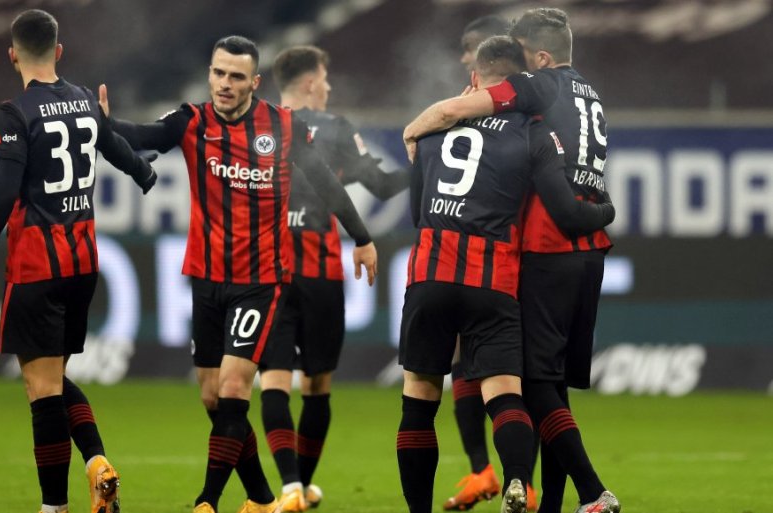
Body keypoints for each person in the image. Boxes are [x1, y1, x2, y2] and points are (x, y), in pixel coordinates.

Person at [99, 35, 378, 513]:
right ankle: (262, 498)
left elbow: (325, 183)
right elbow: (141, 135)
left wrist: (362, 237)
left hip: (260, 282)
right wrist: (103, 124)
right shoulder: (191, 121)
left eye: (235, 76)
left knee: (233, 390)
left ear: (255, 82)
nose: (224, 84)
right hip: (206, 278)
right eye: (218, 73)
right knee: (213, 398)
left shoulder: (283, 126)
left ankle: (207, 501)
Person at [403, 8, 622, 513]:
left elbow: (453, 111)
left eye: (524, 58)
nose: (518, 71)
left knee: (535, 386)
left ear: (541, 58)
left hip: (545, 250)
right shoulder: (589, 95)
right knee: (552, 386)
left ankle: (593, 492)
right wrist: (605, 210)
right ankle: (555, 503)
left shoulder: (537, 90)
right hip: (588, 254)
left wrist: (413, 130)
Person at [0, 9, 157, 513]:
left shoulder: (15, 113)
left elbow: (3, 195)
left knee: (41, 390)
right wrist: (143, 173)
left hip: (37, 266)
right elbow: (111, 144)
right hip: (83, 264)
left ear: (12, 54)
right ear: (58, 51)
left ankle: (54, 507)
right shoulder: (84, 100)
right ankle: (97, 463)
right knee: (55, 380)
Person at [256, 45, 410, 511]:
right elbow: (382, 186)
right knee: (317, 385)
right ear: (309, 83)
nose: (328, 87)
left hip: (269, 271)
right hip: (319, 272)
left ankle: (290, 487)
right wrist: (425, 164)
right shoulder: (337, 128)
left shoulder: (259, 125)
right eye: (324, 79)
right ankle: (301, 487)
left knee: (274, 380)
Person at [441, 14, 543, 513]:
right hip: (486, 262)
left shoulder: (523, 114)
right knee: (467, 363)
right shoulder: (472, 113)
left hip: (511, 259)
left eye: (470, 49)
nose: (465, 58)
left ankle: (521, 479)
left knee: (517, 377)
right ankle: (485, 471)